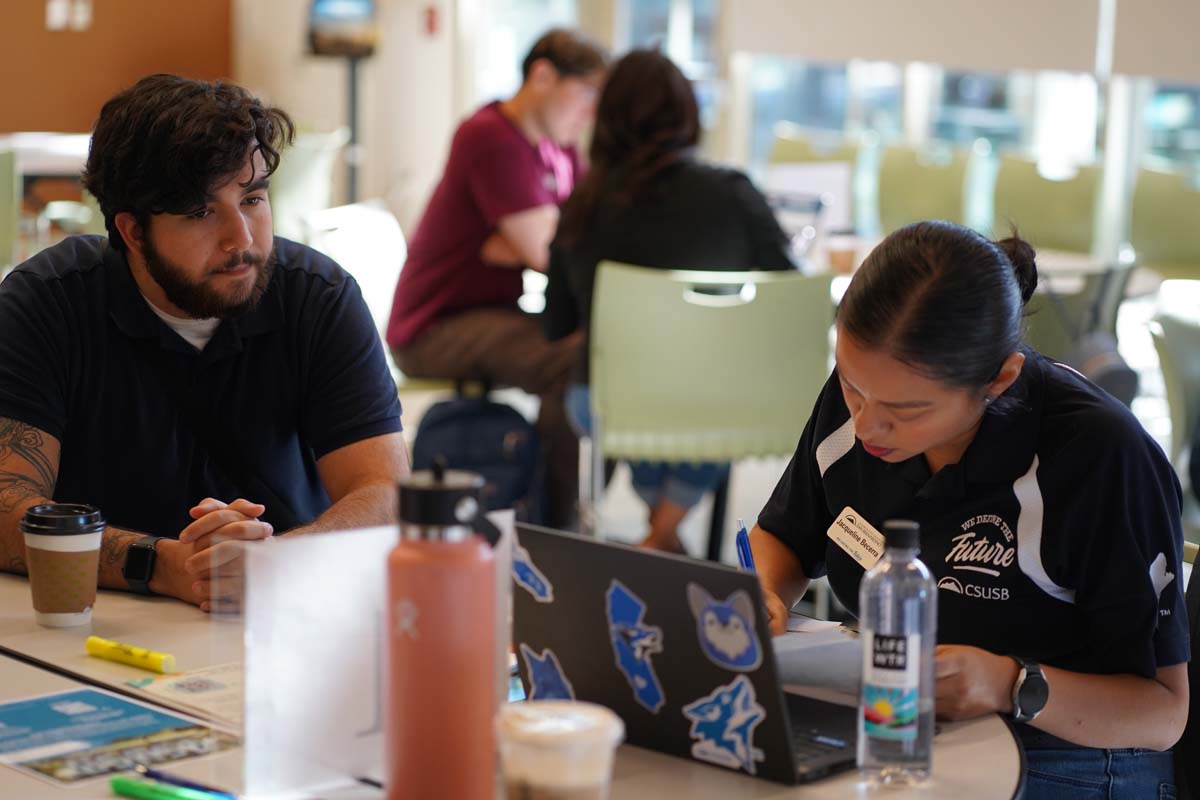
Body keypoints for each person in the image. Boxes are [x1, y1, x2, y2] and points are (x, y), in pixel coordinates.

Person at [750, 221, 1189, 797]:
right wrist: (761, 594)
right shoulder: (870, 388)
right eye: (854, 388)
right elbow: (784, 535)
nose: (865, 424)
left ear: (998, 379)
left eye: (906, 410)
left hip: (1069, 751)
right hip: (897, 716)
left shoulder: (1098, 454)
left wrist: (1013, 684)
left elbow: (1162, 714)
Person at [0, 75, 408, 613]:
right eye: (199, 212)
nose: (242, 238)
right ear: (132, 231)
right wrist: (163, 564)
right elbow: (6, 508)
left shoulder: (319, 297)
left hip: (286, 612)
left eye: (254, 198)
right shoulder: (46, 303)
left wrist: (274, 562)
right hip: (105, 620)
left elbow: (387, 492)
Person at [543, 49, 794, 554]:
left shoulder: (582, 204)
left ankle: (659, 535)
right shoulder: (733, 194)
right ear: (688, 115)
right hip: (714, 406)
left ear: (606, 120)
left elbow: (555, 325)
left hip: (607, 405)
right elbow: (787, 295)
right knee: (708, 412)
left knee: (641, 419)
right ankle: (664, 534)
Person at [386, 28, 607, 529]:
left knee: (599, 351)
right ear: (543, 75)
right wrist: (534, 240)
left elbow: (569, 237)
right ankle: (554, 528)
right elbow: (547, 252)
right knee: (573, 359)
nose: (591, 112)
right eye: (587, 92)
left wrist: (527, 239)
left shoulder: (558, 148)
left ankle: (555, 514)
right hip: (435, 327)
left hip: (492, 314)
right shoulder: (489, 135)